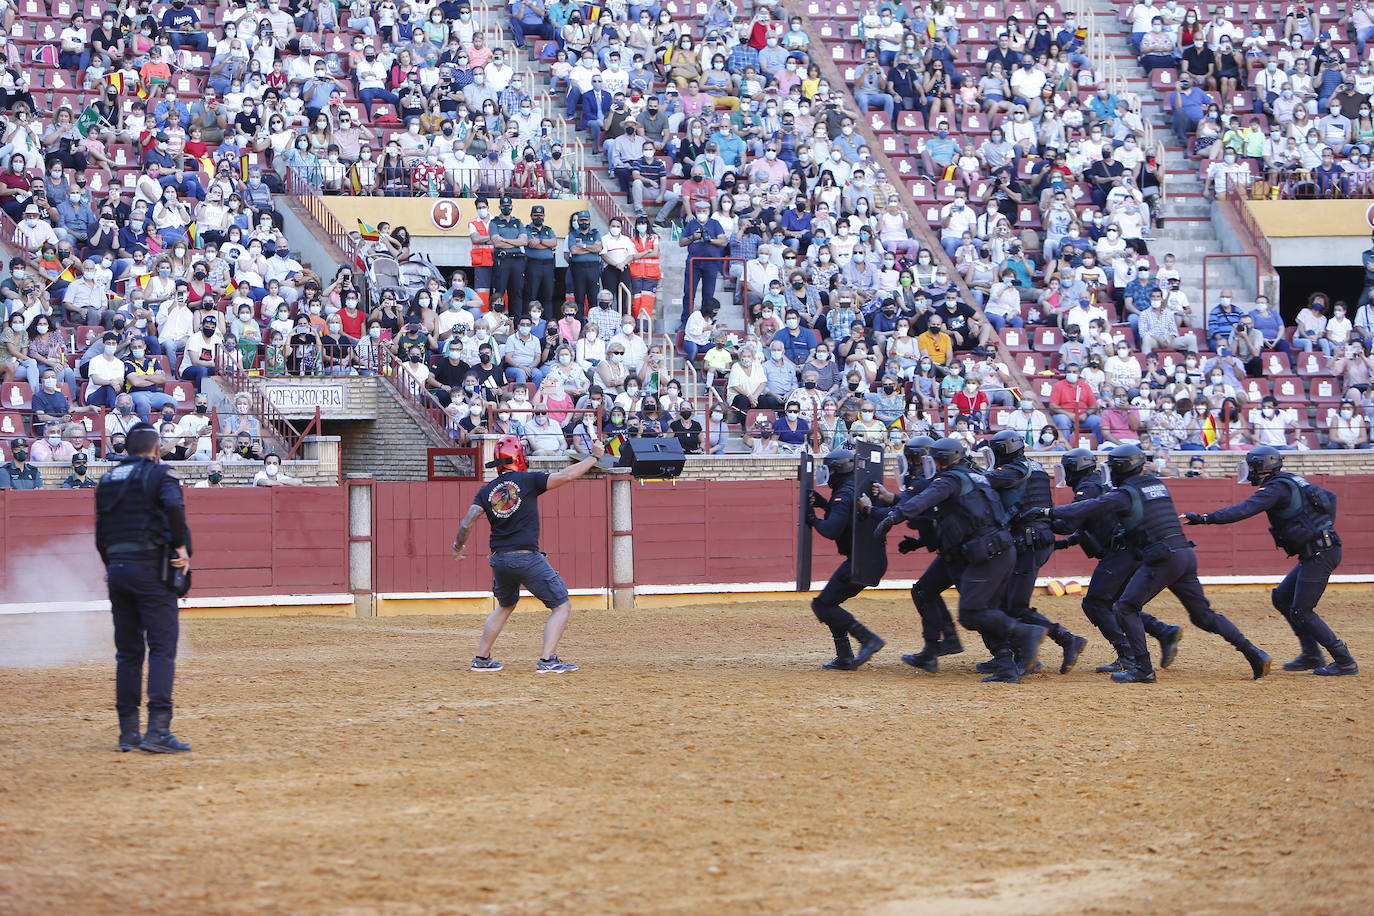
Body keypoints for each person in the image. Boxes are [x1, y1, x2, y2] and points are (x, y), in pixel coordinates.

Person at [1042, 444, 1270, 683]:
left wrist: (1047, 513)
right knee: (1203, 615)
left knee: (1124, 607)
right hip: (1184, 553)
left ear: (1120, 468)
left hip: (1161, 557)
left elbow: (1092, 507)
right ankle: (1253, 652)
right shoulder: (1158, 485)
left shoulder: (1125, 494)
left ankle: (1142, 668)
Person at [874, 438, 1049, 683]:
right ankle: (1002, 663)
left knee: (973, 612)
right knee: (952, 600)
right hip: (989, 548)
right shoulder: (973, 476)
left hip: (982, 551)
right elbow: (951, 515)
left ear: (941, 460)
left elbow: (922, 503)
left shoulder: (950, 480)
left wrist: (893, 517)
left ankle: (1024, 637)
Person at [1184, 447, 1357, 677]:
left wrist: (1205, 519)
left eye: (1252, 466)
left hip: (1320, 552)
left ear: (1261, 467)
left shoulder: (1276, 488)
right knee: (1282, 598)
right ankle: (1311, 654)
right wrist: (1322, 527)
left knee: (1303, 611)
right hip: (1319, 549)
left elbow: (1244, 509)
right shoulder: (1292, 480)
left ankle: (1344, 660)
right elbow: (1331, 498)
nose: (1250, 471)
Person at [453, 435, 606, 673]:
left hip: (499, 559)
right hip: (525, 557)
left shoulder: (486, 491)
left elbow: (466, 523)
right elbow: (567, 475)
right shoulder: (528, 480)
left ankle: (481, 659)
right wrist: (595, 456)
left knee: (505, 605)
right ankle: (547, 660)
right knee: (561, 605)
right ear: (519, 458)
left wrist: (458, 546)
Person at [93, 422, 192, 754]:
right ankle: (158, 731)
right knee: (162, 648)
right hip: (151, 569)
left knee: (128, 652)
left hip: (118, 570)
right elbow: (175, 509)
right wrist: (179, 547)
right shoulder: (161, 474)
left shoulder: (107, 480)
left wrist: (113, 566)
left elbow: (101, 532)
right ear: (154, 449)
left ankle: (128, 733)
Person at [1052, 448, 1183, 674]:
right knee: (1119, 604)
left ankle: (1127, 655)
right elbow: (1092, 524)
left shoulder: (1088, 487)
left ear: (1074, 468)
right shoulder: (1097, 484)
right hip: (1127, 550)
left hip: (1119, 552)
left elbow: (1069, 524)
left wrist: (1040, 519)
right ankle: (1163, 631)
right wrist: (1066, 543)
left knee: (1095, 603)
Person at [982, 430, 1087, 674]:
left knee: (1015, 605)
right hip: (1033, 539)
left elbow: (986, 482)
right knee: (1006, 601)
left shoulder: (1015, 470)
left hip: (1028, 541)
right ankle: (1017, 654)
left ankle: (1065, 640)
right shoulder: (1035, 467)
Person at [868, 436, 962, 672]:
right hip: (955, 550)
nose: (909, 463)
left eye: (910, 457)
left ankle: (1013, 651)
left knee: (979, 608)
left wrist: (870, 509)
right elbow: (924, 513)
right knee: (925, 590)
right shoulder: (938, 479)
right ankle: (939, 646)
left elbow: (907, 508)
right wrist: (919, 542)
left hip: (962, 552)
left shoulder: (927, 482)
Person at [804, 449, 887, 670]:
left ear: (836, 470)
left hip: (860, 561)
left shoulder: (843, 493)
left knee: (823, 605)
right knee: (829, 604)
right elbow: (849, 516)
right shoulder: (856, 484)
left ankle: (867, 639)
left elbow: (832, 529)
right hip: (871, 557)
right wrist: (824, 504)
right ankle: (845, 657)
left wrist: (812, 518)